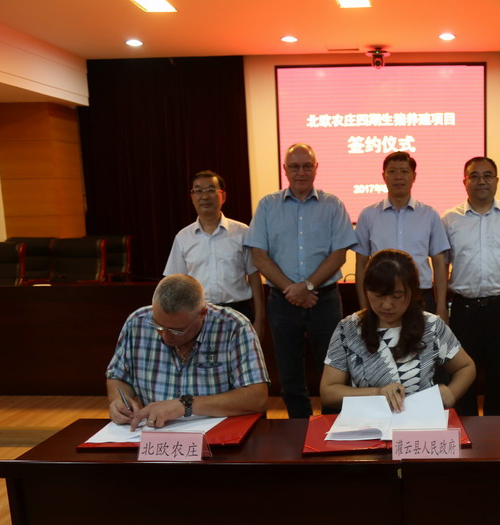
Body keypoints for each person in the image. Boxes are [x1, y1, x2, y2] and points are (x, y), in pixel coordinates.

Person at [246, 144, 356, 418]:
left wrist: (306, 287)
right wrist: (292, 290)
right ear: (285, 170)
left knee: (333, 370)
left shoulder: (333, 205)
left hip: (325, 300)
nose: (301, 172)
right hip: (282, 301)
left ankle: (332, 427)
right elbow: (259, 256)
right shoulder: (267, 205)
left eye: (307, 166)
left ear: (316, 168)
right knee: (289, 374)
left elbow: (339, 254)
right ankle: (299, 429)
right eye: (294, 167)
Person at [106, 274, 269, 430]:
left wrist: (186, 405)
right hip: (155, 434)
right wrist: (119, 401)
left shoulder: (234, 327)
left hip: (220, 434)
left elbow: (257, 398)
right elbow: (118, 377)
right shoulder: (137, 323)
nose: (165, 336)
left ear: (202, 314)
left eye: (177, 330)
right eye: (158, 326)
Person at [320, 249, 475, 412]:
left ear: (413, 292)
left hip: (421, 419)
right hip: (368, 420)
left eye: (397, 296)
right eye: (378, 295)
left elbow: (466, 366)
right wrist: (378, 393)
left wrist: (451, 392)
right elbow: (328, 392)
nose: (387, 305)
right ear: (366, 290)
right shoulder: (349, 328)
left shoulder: (431, 326)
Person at [442, 156, 500, 416]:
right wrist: (441, 307)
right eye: (474, 176)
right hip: (463, 309)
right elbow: (441, 265)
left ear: (496, 181)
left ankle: (499, 434)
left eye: (487, 175)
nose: (481, 181)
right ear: (464, 182)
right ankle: (466, 431)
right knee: (463, 375)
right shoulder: (450, 219)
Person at [163, 170, 264, 337]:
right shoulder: (183, 237)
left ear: (223, 196)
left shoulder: (242, 232)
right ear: (192, 197)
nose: (204, 196)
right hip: (197, 315)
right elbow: (175, 283)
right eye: (198, 191)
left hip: (238, 313)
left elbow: (254, 277)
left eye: (211, 190)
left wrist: (259, 320)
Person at [354, 151, 450, 321]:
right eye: (392, 171)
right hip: (381, 296)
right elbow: (361, 264)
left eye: (404, 171)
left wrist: (441, 306)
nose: (398, 177)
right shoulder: (368, 215)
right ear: (383, 177)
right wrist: (364, 307)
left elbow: (439, 262)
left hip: (420, 296)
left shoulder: (429, 215)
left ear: (414, 176)